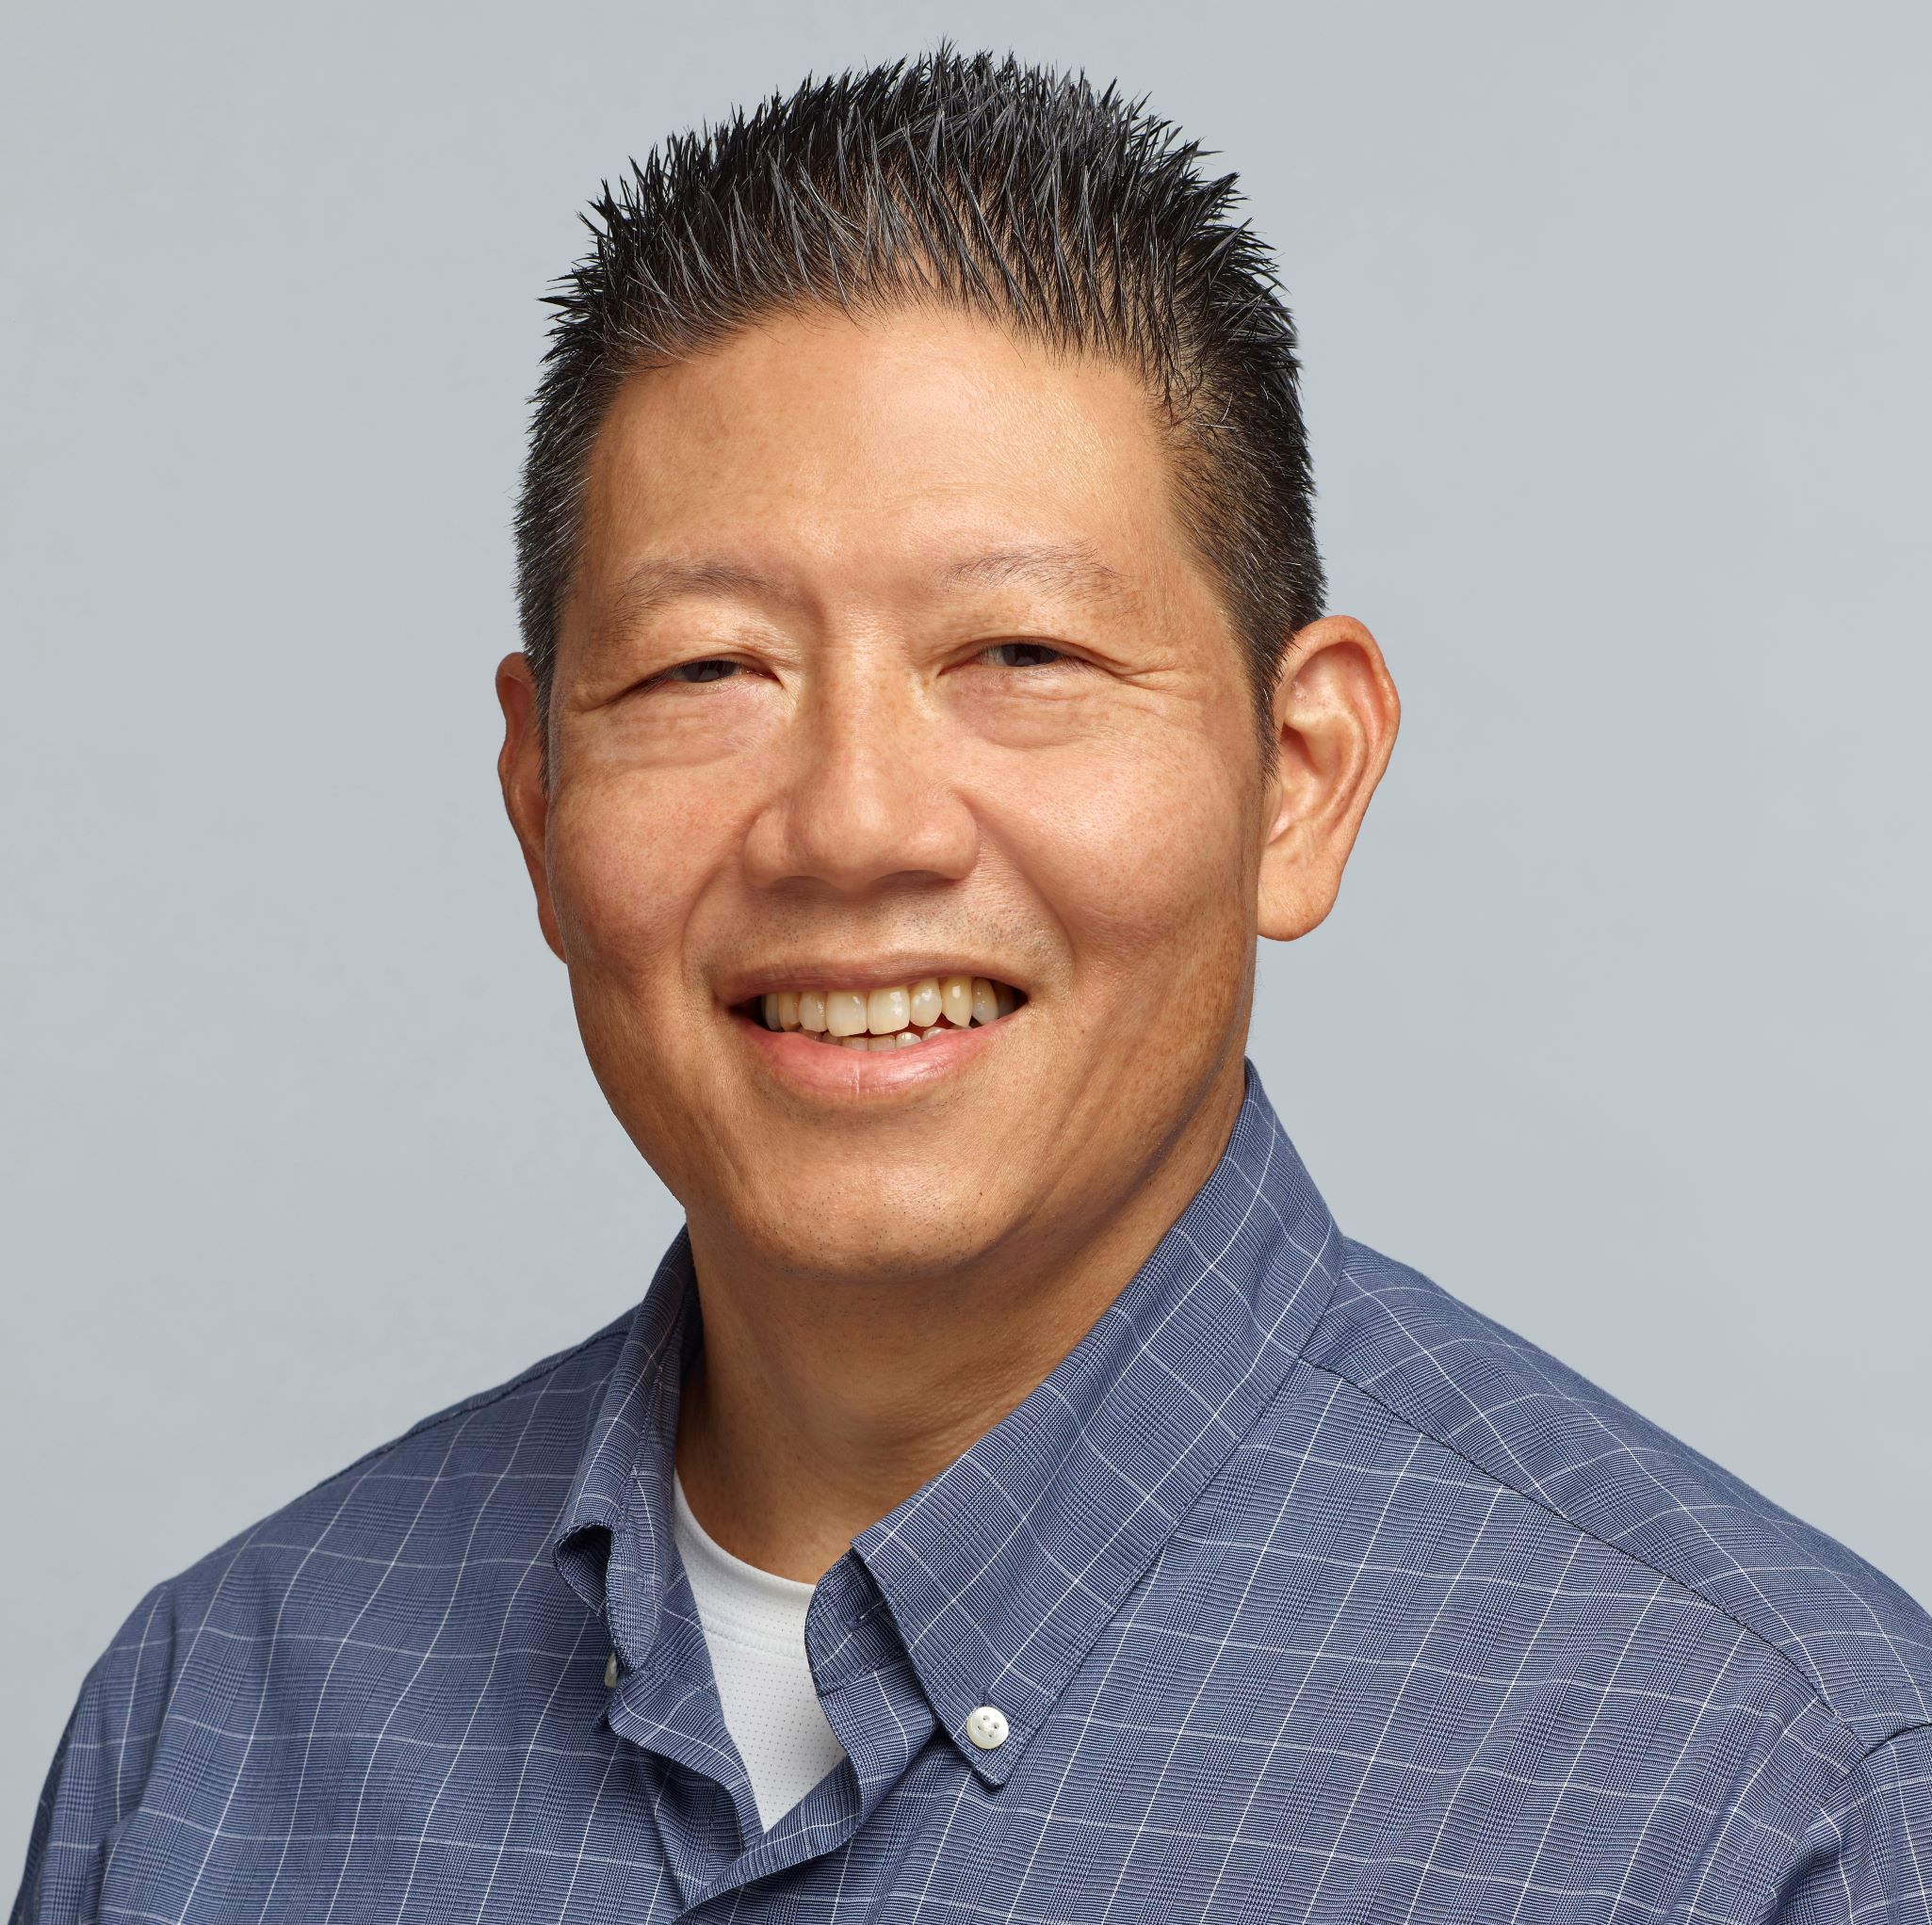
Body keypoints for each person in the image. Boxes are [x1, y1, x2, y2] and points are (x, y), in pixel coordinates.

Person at [15, 46, 1931, 1925]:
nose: (853, 826)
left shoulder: (1766, 1794)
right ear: (538, 799)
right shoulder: (211, 1725)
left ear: (1303, 777)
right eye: (706, 671)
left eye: (1020, 654)